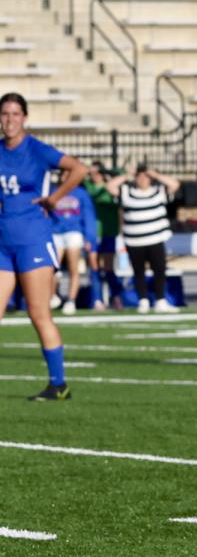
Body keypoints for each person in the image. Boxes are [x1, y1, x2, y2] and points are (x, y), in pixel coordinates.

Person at [0, 92, 86, 400]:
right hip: (3, 242)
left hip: (32, 240)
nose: (9, 120)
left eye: (15, 114)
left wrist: (54, 198)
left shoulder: (35, 149)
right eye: (5, 114)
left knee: (38, 314)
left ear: (24, 117)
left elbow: (79, 169)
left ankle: (58, 384)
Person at [106, 162, 181, 313]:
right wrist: (128, 175)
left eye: (146, 177)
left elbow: (175, 184)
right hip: (134, 240)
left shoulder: (158, 191)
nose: (142, 180)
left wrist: (156, 175)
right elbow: (110, 187)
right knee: (138, 271)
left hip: (155, 239)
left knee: (159, 270)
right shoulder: (127, 192)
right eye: (140, 177)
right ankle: (143, 301)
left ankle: (160, 300)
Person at [51, 178, 98, 315]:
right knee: (53, 268)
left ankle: (71, 300)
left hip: (74, 232)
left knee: (73, 268)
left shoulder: (81, 193)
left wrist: (89, 238)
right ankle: (52, 296)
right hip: (56, 232)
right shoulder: (54, 191)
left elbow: (88, 216)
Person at [82, 162, 119, 309]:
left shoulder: (111, 188)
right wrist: (87, 170)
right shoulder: (88, 187)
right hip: (92, 233)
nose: (95, 176)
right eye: (94, 173)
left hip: (108, 232)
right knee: (94, 267)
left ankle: (116, 297)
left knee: (109, 267)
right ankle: (97, 300)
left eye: (99, 173)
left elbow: (121, 172)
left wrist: (106, 170)